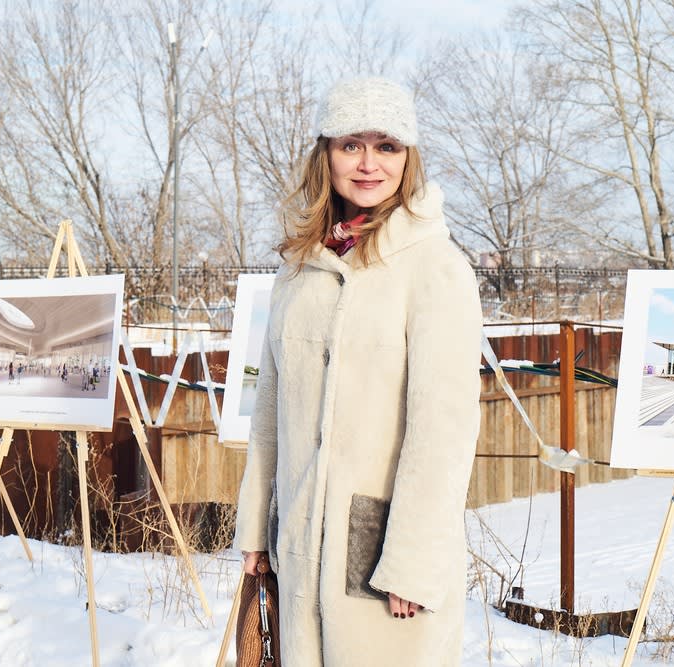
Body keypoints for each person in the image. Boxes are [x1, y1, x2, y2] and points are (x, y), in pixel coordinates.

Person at [233, 76, 482, 666]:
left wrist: (411, 561)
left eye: (387, 146)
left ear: (408, 157)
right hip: (298, 549)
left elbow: (443, 430)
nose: (369, 164)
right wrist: (257, 528)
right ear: (326, 154)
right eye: (351, 145)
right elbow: (269, 411)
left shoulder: (436, 267)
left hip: (385, 561)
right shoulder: (299, 269)